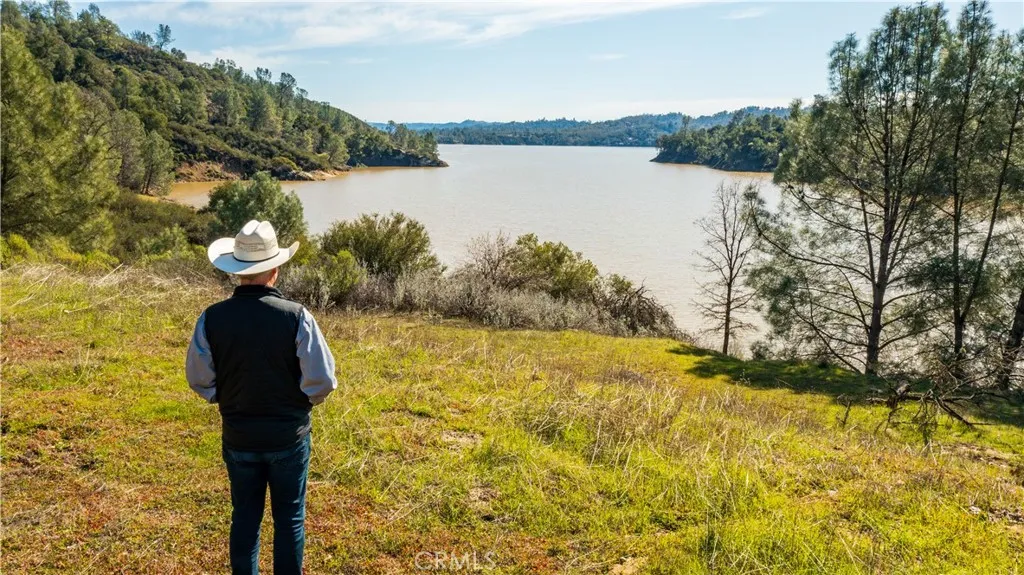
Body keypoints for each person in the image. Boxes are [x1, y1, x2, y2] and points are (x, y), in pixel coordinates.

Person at [185, 220, 337, 575]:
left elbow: (199, 380)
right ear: (275, 269)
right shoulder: (298, 317)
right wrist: (296, 404)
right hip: (288, 437)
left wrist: (225, 398)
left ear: (236, 271)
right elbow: (323, 381)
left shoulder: (211, 318)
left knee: (245, 518)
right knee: (290, 519)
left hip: (238, 436)